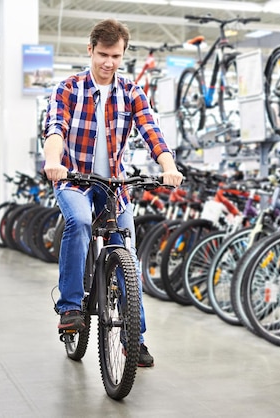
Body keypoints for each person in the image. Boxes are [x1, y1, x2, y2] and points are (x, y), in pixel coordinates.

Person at [43, 18, 183, 367]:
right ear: (90, 50)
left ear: (123, 55)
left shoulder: (131, 92)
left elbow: (152, 132)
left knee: (128, 257)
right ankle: (72, 306)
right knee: (78, 221)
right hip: (75, 179)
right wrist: (53, 160)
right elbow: (55, 128)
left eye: (116, 56)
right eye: (103, 54)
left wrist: (168, 166)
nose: (109, 62)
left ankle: (134, 339)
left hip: (114, 185)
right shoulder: (69, 88)